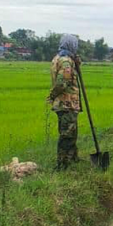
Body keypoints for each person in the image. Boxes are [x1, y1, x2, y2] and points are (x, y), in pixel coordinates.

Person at [48, 34, 81, 170]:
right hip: (67, 103)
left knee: (71, 133)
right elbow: (62, 83)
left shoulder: (58, 58)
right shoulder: (66, 61)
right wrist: (52, 95)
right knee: (67, 135)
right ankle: (62, 164)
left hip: (65, 104)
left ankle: (72, 158)